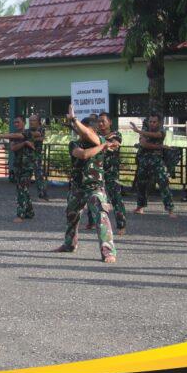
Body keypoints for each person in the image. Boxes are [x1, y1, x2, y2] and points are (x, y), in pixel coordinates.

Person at [53, 106, 117, 263]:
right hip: (77, 187)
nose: (81, 133)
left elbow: (89, 134)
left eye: (84, 129)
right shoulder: (75, 144)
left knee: (101, 216)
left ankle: (108, 252)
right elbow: (83, 155)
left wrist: (74, 120)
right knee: (72, 216)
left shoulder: (99, 139)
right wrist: (103, 147)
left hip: (95, 188)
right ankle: (69, 245)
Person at [132, 114, 176, 217]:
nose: (152, 123)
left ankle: (170, 210)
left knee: (163, 183)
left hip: (156, 161)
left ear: (159, 123)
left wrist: (139, 131)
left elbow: (156, 136)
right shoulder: (144, 131)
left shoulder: (161, 131)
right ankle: (140, 207)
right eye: (150, 121)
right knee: (141, 184)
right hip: (144, 161)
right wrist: (160, 146)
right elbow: (143, 144)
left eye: (154, 122)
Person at [0, 116, 35, 223]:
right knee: (23, 189)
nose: (16, 124)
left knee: (21, 189)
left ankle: (20, 214)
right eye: (14, 122)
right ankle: (29, 212)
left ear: (24, 123)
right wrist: (24, 143)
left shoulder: (28, 133)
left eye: (18, 122)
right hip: (18, 166)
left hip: (27, 167)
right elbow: (13, 148)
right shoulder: (14, 136)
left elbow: (17, 136)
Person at [97, 112, 128, 235]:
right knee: (93, 197)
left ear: (110, 122)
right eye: (99, 121)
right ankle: (91, 222)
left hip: (111, 172)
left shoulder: (116, 134)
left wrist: (101, 142)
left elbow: (115, 144)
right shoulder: (96, 135)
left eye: (103, 121)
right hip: (97, 171)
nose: (100, 123)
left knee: (116, 199)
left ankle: (121, 225)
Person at [29, 114, 49, 200]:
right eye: (30, 121)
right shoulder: (29, 130)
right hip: (28, 155)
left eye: (33, 120)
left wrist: (29, 138)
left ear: (38, 122)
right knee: (25, 175)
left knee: (39, 175)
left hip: (36, 156)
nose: (31, 122)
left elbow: (40, 137)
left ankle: (42, 193)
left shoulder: (41, 129)